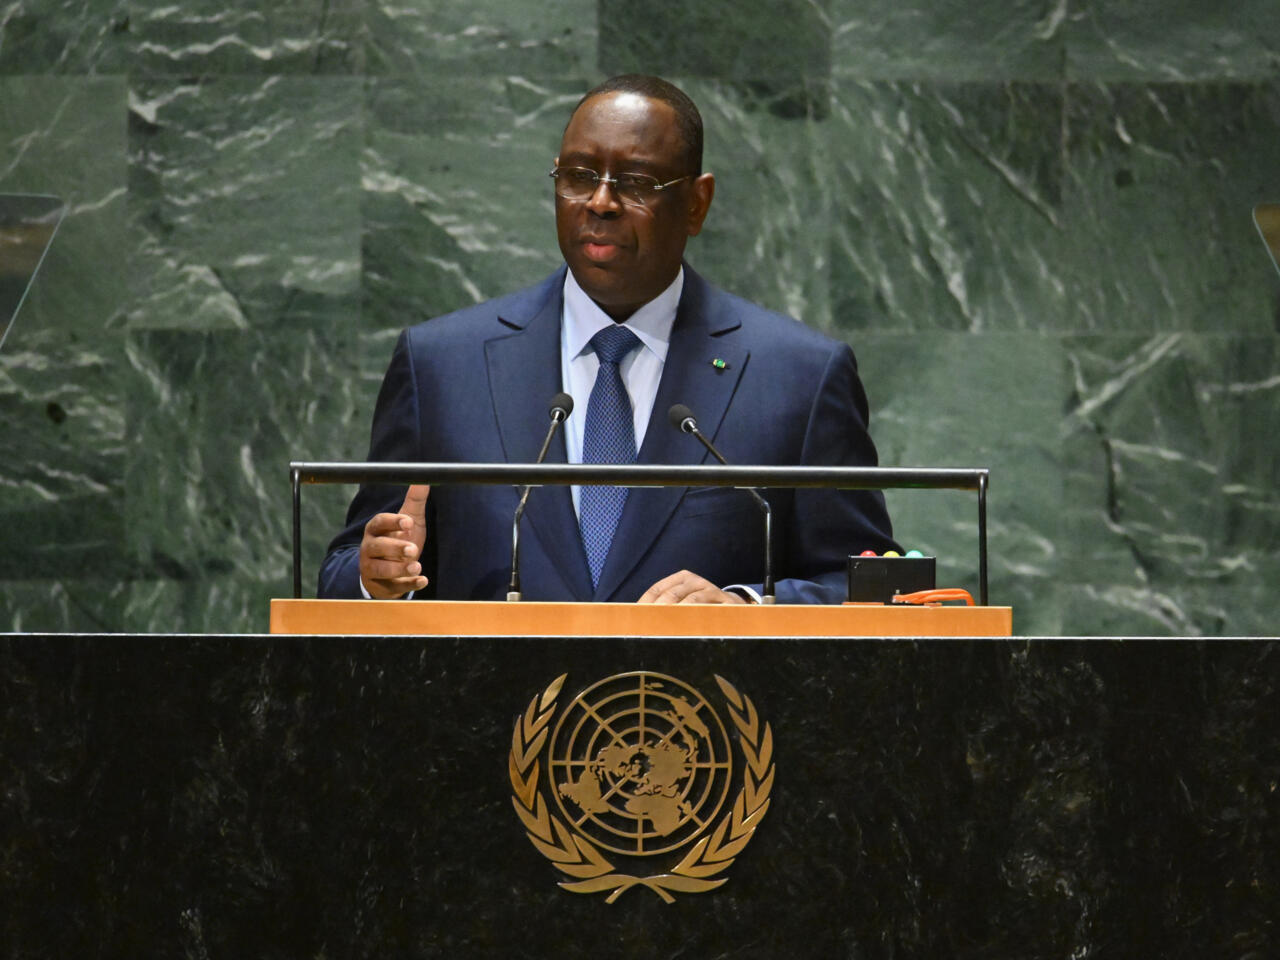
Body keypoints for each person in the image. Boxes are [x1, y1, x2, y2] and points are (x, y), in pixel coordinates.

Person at [318, 74, 897, 605]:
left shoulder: (799, 377)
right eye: (578, 176)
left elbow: (869, 584)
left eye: (637, 182)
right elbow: (344, 572)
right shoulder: (442, 366)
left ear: (696, 203)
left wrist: (746, 607)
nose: (600, 202)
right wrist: (376, 579)